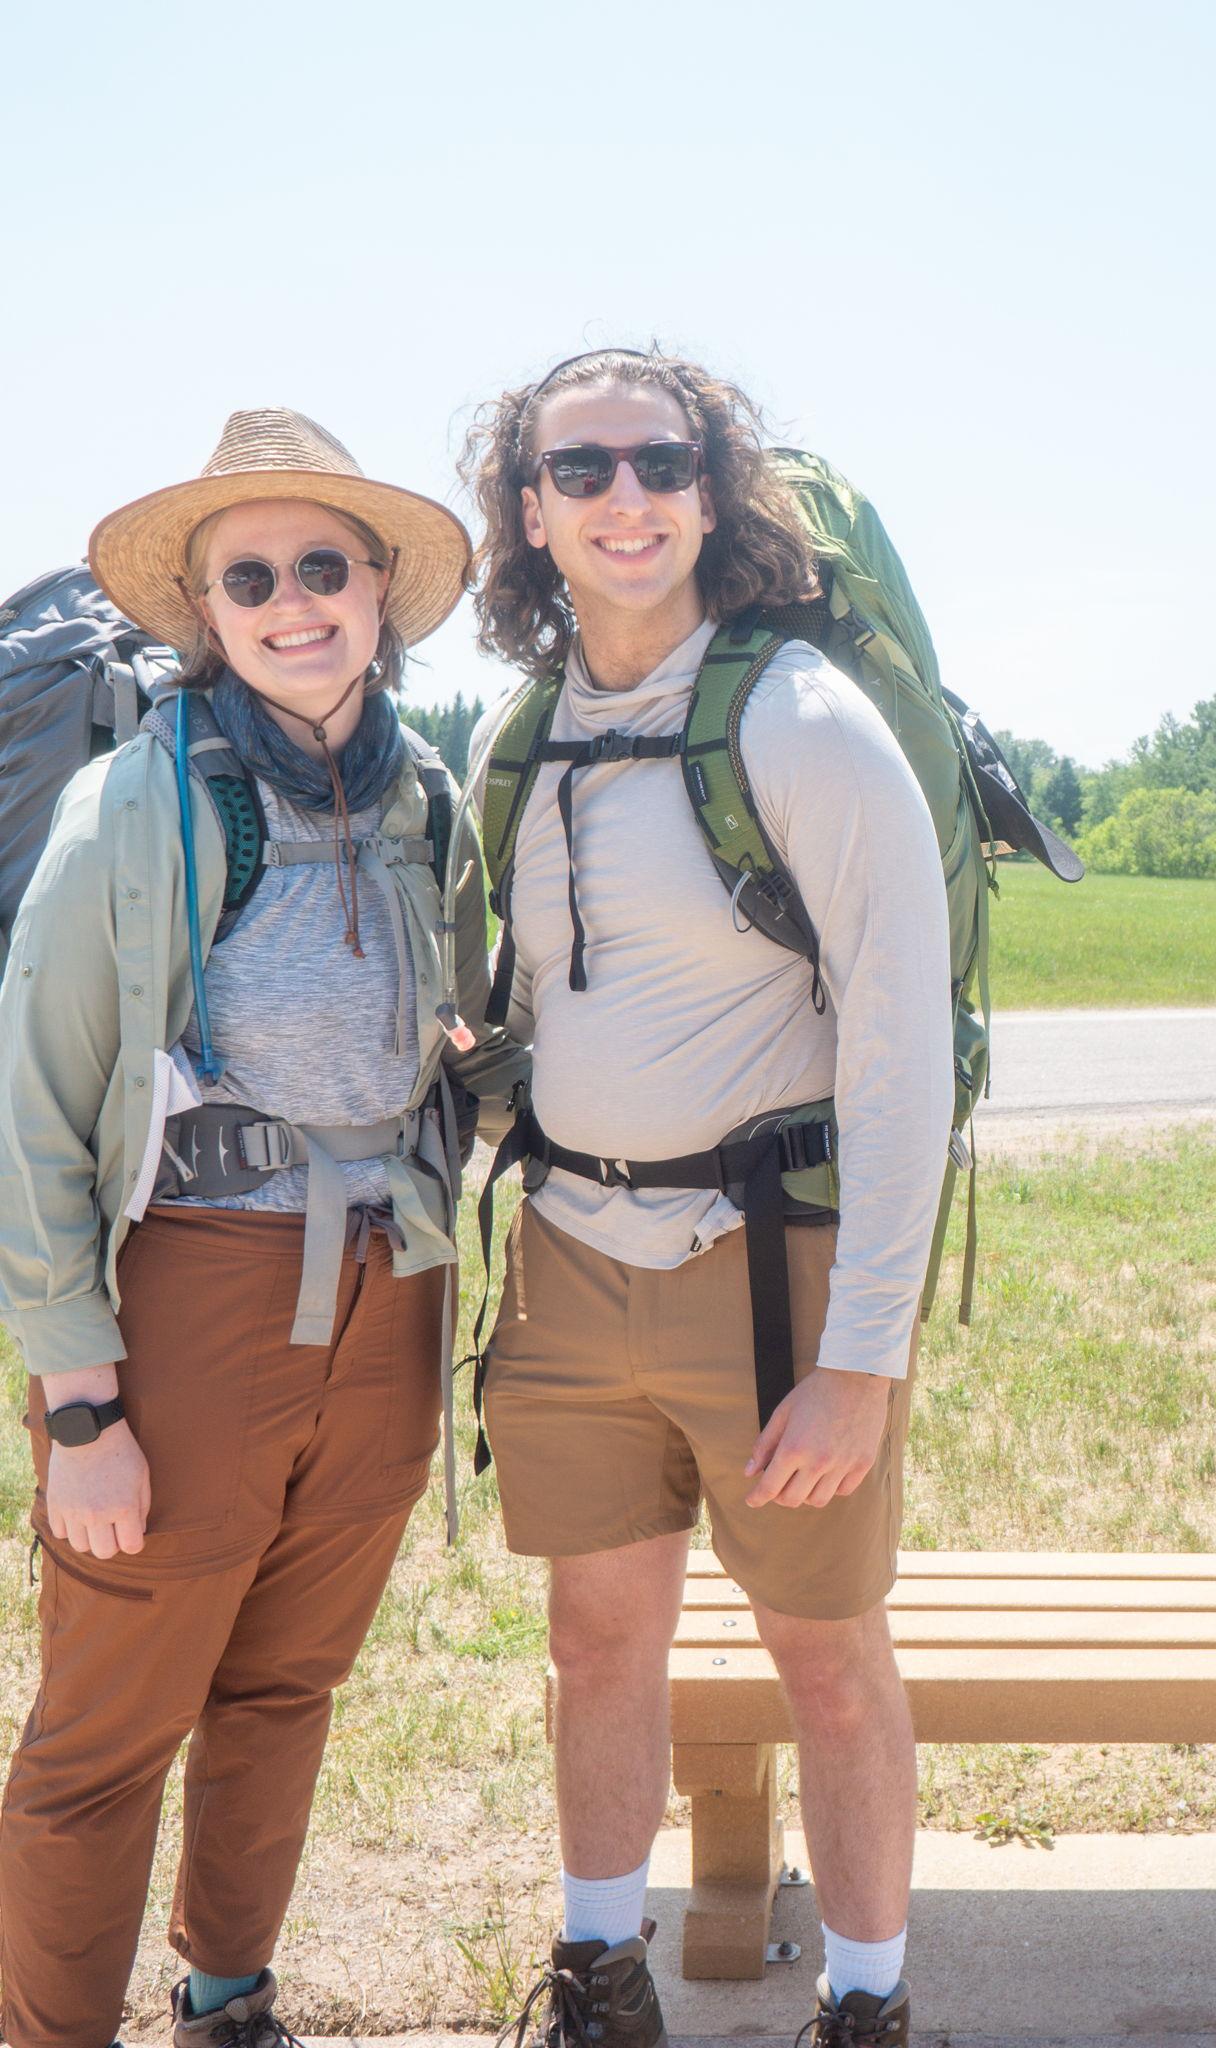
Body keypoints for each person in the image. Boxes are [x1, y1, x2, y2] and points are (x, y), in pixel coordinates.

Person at [0, 411, 524, 2048]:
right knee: (108, 1732)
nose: (293, 603)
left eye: (322, 567)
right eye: (251, 579)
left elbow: (453, 1033)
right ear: (207, 613)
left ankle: (228, 1999)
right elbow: (33, 1113)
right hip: (195, 1303)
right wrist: (79, 1410)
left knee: (286, 1686)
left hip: (389, 1295)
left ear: (377, 592)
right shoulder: (132, 805)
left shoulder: (423, 798)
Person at [461, 348, 949, 2047]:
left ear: (711, 492)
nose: (625, 497)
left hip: (774, 1274)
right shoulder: (520, 735)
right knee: (596, 1640)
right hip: (568, 1257)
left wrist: (864, 1353)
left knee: (828, 1659)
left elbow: (900, 1056)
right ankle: (601, 1979)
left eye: (661, 463)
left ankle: (867, 2007)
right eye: (580, 469)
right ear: (529, 512)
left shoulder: (801, 721)